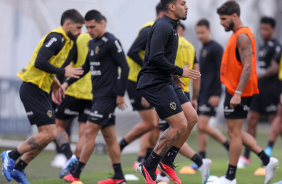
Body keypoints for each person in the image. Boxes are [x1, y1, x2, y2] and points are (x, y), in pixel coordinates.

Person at [1, 9, 85, 184]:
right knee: (48, 133)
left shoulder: (68, 42)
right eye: (78, 28)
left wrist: (56, 84)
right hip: (32, 88)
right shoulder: (57, 37)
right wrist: (64, 71)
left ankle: (19, 167)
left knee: (49, 134)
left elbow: (48, 66)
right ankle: (10, 155)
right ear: (68, 24)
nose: (80, 32)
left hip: (42, 89)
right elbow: (40, 62)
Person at [211, 1, 279, 183]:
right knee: (236, 131)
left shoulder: (242, 37)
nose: (221, 23)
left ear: (235, 16)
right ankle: (267, 160)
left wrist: (238, 93)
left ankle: (230, 177)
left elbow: (248, 67)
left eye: (224, 19)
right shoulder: (236, 35)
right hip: (235, 91)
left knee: (234, 133)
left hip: (239, 92)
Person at [136, 0, 202, 183]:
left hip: (166, 80)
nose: (187, 6)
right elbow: (154, 57)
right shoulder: (164, 26)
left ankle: (167, 160)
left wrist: (173, 76)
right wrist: (179, 71)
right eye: (183, 3)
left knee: (192, 118)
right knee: (179, 125)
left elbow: (159, 57)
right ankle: (148, 166)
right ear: (172, 6)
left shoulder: (173, 26)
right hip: (154, 83)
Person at [63, 10, 129, 184]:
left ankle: (75, 175)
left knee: (90, 130)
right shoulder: (92, 43)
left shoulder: (111, 41)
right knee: (109, 136)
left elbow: (125, 67)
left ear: (102, 24)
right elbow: (85, 68)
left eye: (92, 27)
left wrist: (121, 95)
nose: (89, 30)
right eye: (87, 27)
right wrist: (65, 83)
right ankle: (119, 177)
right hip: (98, 95)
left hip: (108, 96)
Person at [157, 22, 211, 184]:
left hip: (170, 90)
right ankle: (165, 170)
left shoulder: (169, 43)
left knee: (169, 131)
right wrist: (194, 98)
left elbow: (161, 66)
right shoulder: (190, 46)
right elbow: (196, 74)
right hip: (184, 93)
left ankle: (198, 162)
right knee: (174, 131)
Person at [119, 2, 163, 170]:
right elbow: (131, 51)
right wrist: (149, 66)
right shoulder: (149, 30)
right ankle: (121, 146)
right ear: (162, 14)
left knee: (155, 124)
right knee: (152, 123)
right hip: (136, 80)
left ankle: (147, 162)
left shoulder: (159, 31)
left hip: (147, 81)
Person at [238, 16, 281, 168]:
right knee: (252, 120)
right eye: (261, 28)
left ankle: (268, 157)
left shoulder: (276, 46)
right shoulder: (261, 47)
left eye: (266, 29)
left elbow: (275, 68)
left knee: (275, 124)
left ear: (272, 30)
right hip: (258, 90)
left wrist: (257, 75)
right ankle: (247, 157)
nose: (263, 32)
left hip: (272, 91)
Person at [53, 32, 93, 178]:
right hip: (92, 93)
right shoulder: (102, 40)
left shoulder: (78, 39)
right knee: (85, 133)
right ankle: (75, 166)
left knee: (56, 127)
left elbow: (67, 62)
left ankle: (69, 158)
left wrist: (59, 84)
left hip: (74, 90)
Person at [194, 18, 229, 165]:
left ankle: (229, 146)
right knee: (200, 128)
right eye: (198, 33)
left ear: (209, 31)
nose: (200, 35)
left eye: (202, 32)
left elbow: (221, 72)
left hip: (212, 94)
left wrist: (217, 93)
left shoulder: (216, 48)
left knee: (202, 125)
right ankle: (201, 159)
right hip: (202, 93)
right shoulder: (203, 49)